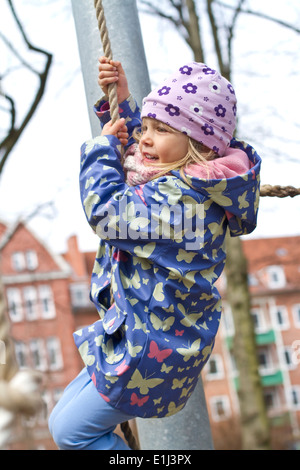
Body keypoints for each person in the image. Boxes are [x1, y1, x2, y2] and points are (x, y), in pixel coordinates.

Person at [49, 57, 261, 450]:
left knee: (72, 435)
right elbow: (141, 161)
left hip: (150, 353)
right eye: (145, 126)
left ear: (199, 143)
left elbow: (107, 210)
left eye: (160, 129)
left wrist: (99, 151)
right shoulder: (187, 186)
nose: (145, 137)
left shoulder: (182, 202)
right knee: (60, 421)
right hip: (147, 340)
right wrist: (124, 106)